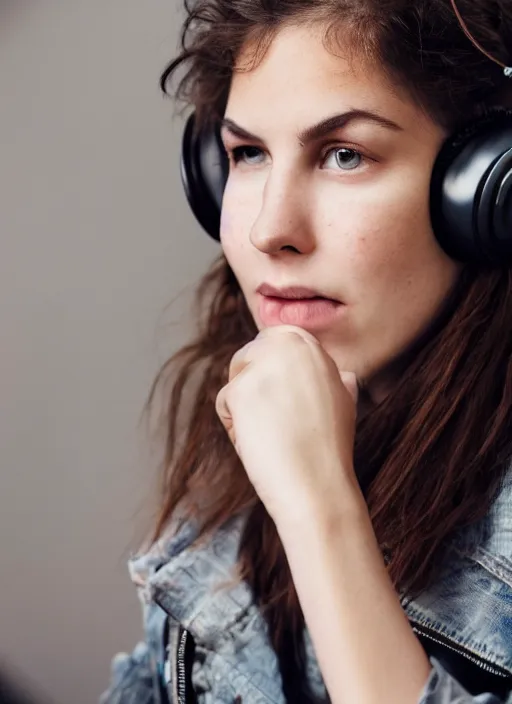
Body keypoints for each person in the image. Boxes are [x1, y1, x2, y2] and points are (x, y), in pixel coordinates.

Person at [100, 0, 512, 701]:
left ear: (487, 191)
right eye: (248, 154)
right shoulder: (252, 414)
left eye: (344, 154)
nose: (270, 229)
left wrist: (320, 509)